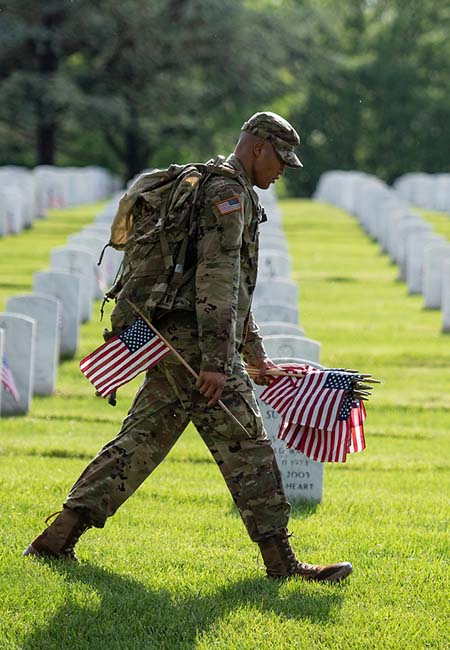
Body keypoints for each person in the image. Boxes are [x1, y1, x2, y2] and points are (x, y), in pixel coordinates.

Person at [24, 112, 352, 583]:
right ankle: (282, 564)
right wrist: (220, 363)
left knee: (140, 441)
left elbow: (234, 286)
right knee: (249, 443)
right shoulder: (227, 194)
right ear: (258, 147)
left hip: (173, 338)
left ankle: (55, 539)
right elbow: (216, 285)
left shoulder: (217, 185)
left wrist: (254, 352)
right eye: (280, 159)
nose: (282, 170)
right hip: (196, 346)